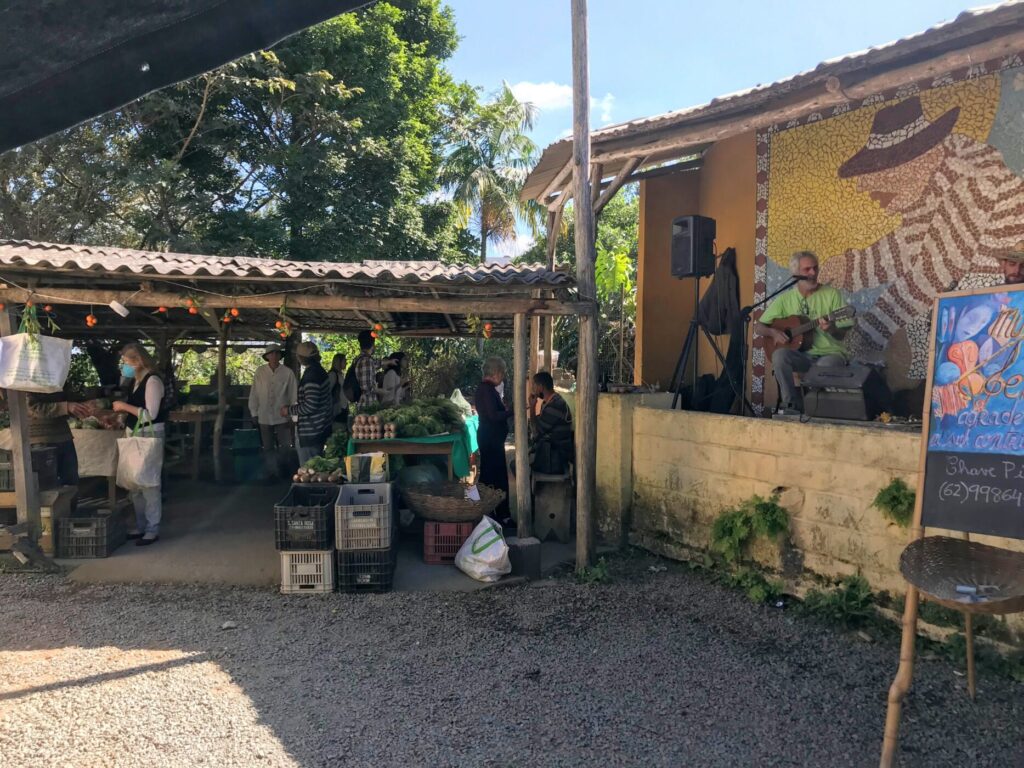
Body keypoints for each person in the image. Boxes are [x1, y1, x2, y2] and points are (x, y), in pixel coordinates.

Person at [819, 96, 1024, 374]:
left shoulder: (972, 179)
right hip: (970, 304)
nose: (863, 187)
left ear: (908, 163)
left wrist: (866, 334)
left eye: (875, 170)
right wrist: (850, 267)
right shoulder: (938, 175)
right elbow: (906, 245)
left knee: (924, 339)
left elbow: (932, 274)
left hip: (992, 302)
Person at [755, 251, 853, 413]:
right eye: (807, 270)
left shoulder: (832, 295)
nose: (813, 273)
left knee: (822, 366)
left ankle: (815, 410)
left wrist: (831, 328)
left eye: (815, 268)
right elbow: (759, 327)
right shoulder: (785, 300)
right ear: (796, 274)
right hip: (801, 356)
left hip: (830, 355)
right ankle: (792, 405)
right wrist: (773, 333)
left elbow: (843, 332)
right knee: (779, 355)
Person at [111, 343, 166, 546]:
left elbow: (150, 414)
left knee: (149, 483)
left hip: (149, 435)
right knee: (135, 483)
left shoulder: (152, 381)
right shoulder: (137, 381)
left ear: (138, 361)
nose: (124, 366)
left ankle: (152, 528)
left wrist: (124, 406)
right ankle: (141, 526)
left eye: (126, 362)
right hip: (135, 433)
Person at [248, 344, 297, 480]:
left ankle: (284, 470)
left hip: (282, 415)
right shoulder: (260, 372)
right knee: (267, 446)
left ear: (280, 356)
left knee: (285, 446)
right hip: (264, 414)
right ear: (267, 356)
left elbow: (293, 395)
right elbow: (254, 393)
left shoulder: (288, 373)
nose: (274, 356)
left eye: (277, 354)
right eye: (271, 354)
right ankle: (272, 472)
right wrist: (254, 412)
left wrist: (293, 417)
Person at [27, 389, 91, 488]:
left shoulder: (57, 377)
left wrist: (82, 405)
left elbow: (67, 397)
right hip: (40, 439)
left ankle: (70, 504)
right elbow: (31, 408)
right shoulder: (23, 378)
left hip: (63, 436)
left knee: (71, 482)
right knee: (46, 486)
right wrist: (65, 406)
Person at [282, 341, 333, 465]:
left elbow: (310, 406)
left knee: (310, 469)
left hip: (312, 431)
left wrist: (289, 410)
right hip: (321, 427)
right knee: (317, 466)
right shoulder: (320, 371)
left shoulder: (312, 376)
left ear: (301, 358)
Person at [475, 357, 511, 527]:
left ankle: (488, 512)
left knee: (491, 476)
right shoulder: (485, 390)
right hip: (490, 439)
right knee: (492, 477)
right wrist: (510, 412)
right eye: (502, 373)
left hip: (491, 438)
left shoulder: (488, 390)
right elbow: (493, 415)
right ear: (496, 373)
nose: (503, 377)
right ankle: (490, 513)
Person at [528, 372, 574, 475]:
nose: (532, 388)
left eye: (534, 385)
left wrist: (532, 407)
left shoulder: (555, 405)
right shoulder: (549, 402)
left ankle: (527, 491)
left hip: (555, 457)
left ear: (540, 387)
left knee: (517, 466)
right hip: (551, 452)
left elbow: (536, 432)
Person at [348, 330, 378, 410]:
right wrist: (382, 391)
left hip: (363, 404)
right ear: (372, 344)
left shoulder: (359, 358)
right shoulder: (366, 361)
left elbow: (375, 364)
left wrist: (387, 362)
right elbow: (367, 388)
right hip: (367, 404)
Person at [326, 353, 349, 423]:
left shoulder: (340, 375)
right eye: (344, 361)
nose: (346, 362)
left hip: (343, 408)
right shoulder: (333, 375)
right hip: (337, 409)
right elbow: (327, 392)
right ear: (339, 362)